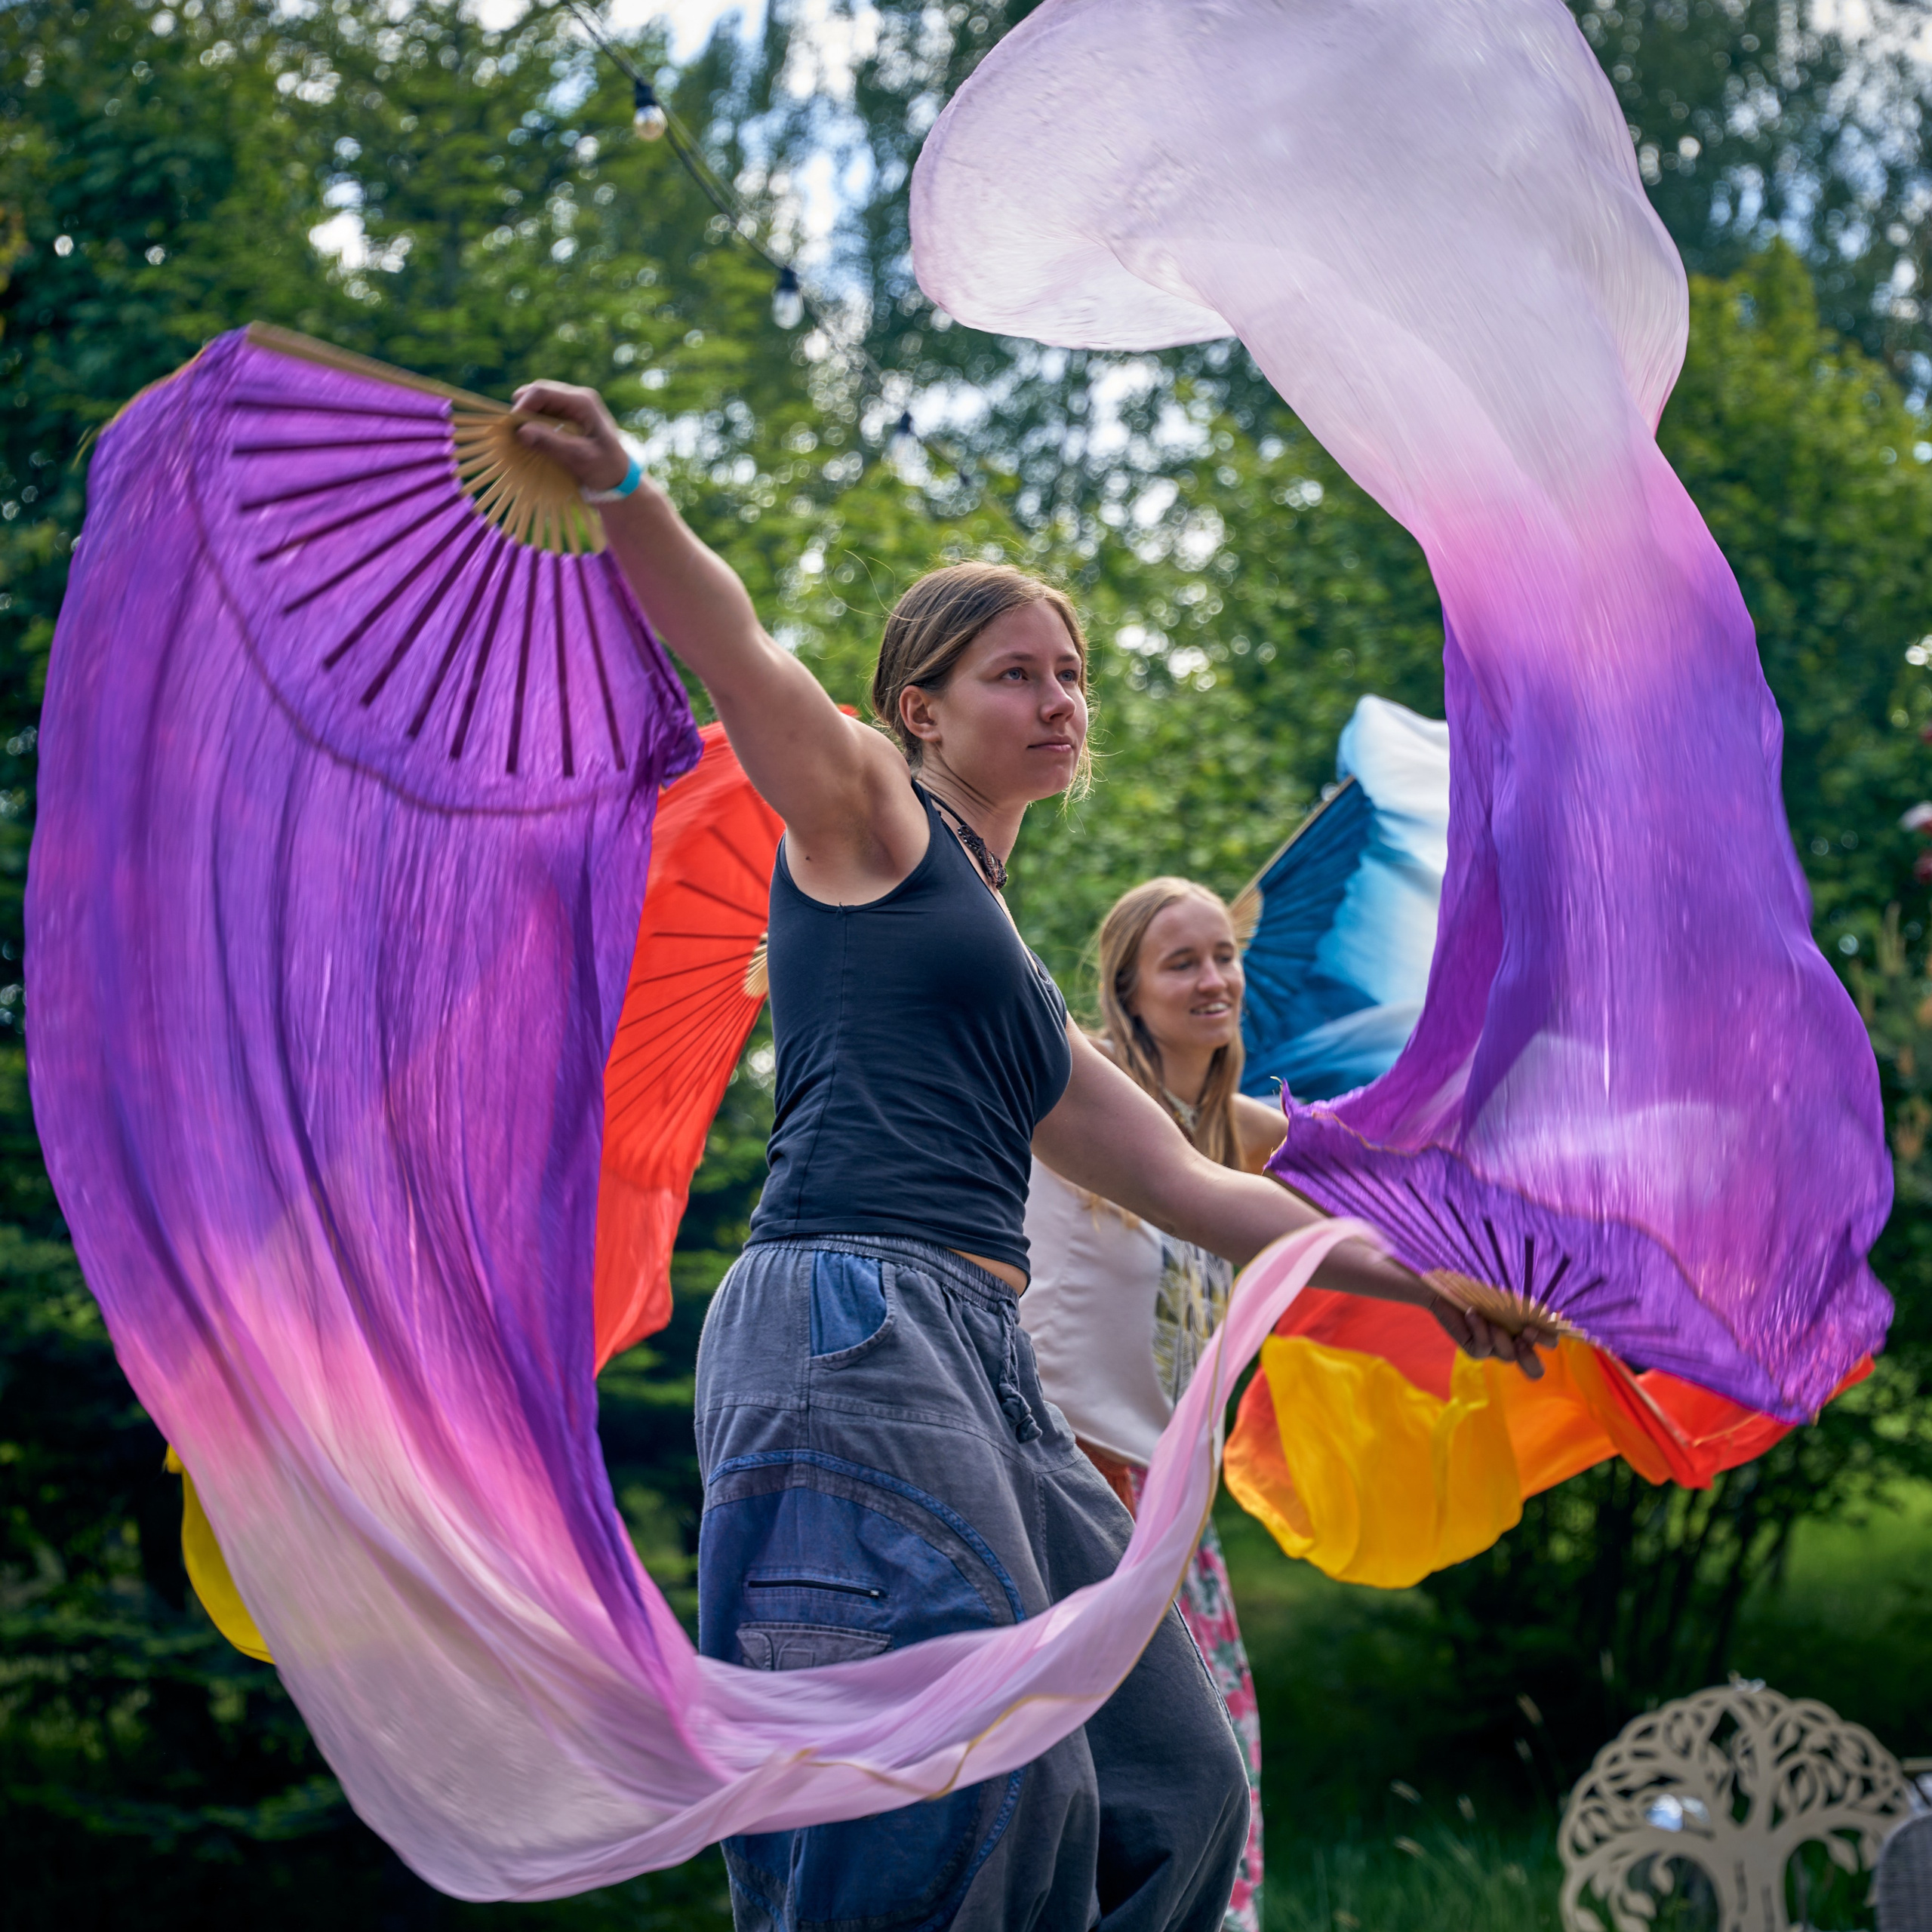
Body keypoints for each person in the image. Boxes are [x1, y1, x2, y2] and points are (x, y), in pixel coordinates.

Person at [512, 383, 1546, 1932]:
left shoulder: (1008, 973)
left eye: (1070, 674)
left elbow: (1198, 1184)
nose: (1059, 699)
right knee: (976, 1780)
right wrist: (626, 488)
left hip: (979, 1363)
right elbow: (734, 646)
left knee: (1178, 1782)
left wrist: (1411, 1273)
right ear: (918, 707)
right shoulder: (867, 818)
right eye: (1015, 673)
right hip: (849, 1327)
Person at [1021, 878, 1291, 1932]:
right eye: (1182, 962)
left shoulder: (1233, 1135)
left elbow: (1372, 1154)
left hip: (1179, 1521)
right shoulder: (1075, 1110)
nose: (1213, 978)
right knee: (1097, 1800)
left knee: (1215, 1787)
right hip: (1073, 1502)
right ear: (1126, 989)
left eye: (1223, 955)